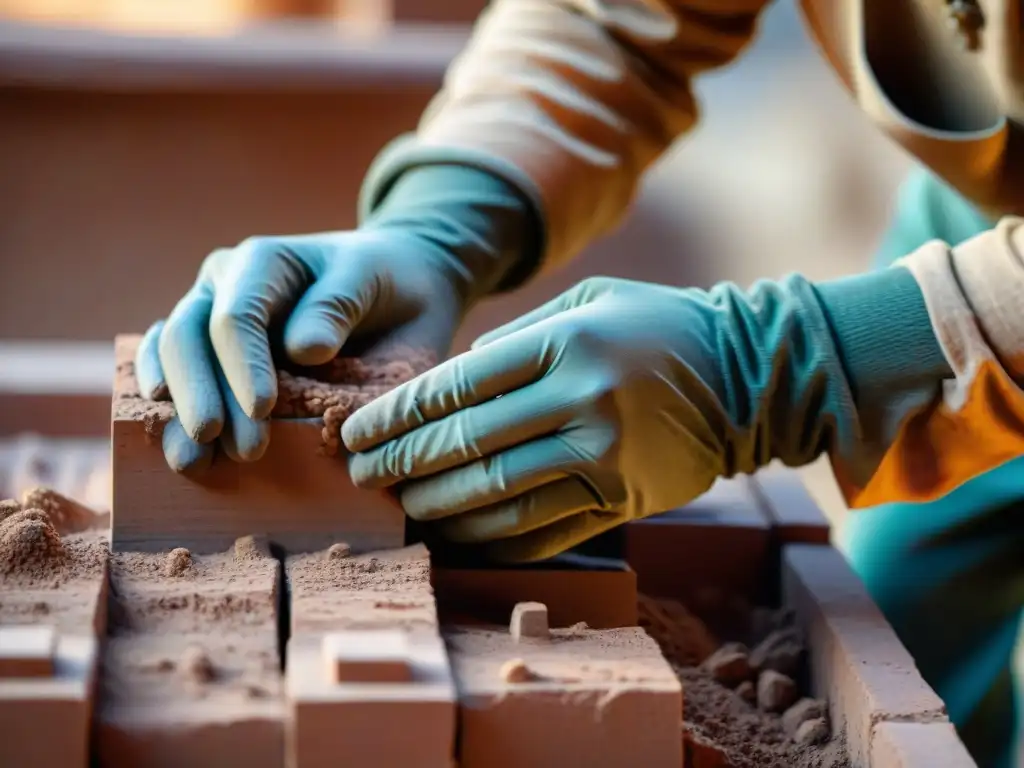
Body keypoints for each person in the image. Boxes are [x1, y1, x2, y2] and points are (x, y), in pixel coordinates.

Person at [135, 3, 1023, 764]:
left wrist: (798, 361)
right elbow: (613, 18)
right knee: (908, 604)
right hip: (978, 205)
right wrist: (445, 213)